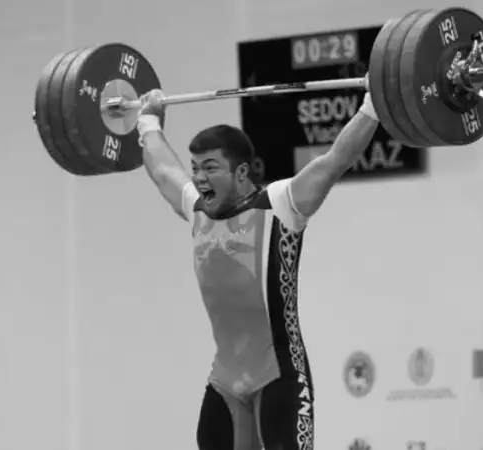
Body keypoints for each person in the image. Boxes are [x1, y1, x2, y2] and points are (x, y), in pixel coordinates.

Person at [134, 79, 379, 450]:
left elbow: (334, 162)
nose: (199, 178)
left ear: (241, 173)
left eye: (210, 168)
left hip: (279, 377)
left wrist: (374, 104)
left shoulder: (279, 204)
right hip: (224, 381)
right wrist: (148, 119)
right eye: (196, 168)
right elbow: (164, 170)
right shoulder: (197, 210)